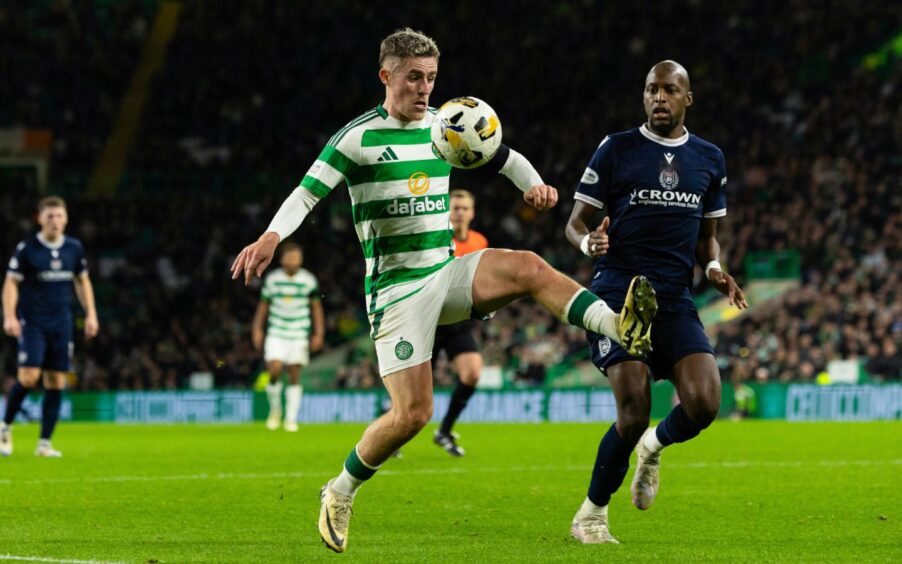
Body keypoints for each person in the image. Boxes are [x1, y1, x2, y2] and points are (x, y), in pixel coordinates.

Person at [231, 28, 656, 553]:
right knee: (413, 415)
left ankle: (618, 326)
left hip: (445, 271)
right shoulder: (357, 138)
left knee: (526, 265)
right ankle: (340, 490)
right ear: (386, 76)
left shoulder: (448, 126)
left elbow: (505, 155)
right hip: (396, 294)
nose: (425, 89)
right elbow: (306, 193)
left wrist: (534, 184)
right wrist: (272, 236)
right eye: (414, 78)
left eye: (431, 78)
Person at [564, 60, 748, 544]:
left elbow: (708, 238)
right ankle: (591, 515)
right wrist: (589, 245)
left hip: (674, 296)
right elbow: (575, 221)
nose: (658, 98)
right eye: (650, 89)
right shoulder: (616, 149)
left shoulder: (710, 158)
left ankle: (653, 447)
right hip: (618, 293)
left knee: (705, 403)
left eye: (669, 90)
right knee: (633, 410)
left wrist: (714, 270)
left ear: (689, 97)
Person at [1, 196, 99, 457]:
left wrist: (91, 314)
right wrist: (9, 316)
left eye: (59, 216)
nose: (54, 221)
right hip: (33, 322)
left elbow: (82, 281)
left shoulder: (74, 248)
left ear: (66, 218)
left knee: (56, 381)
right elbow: (11, 283)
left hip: (62, 323)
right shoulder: (28, 248)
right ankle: (5, 427)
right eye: (49, 216)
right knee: (29, 377)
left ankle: (44, 444)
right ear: (40, 219)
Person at [432, 189, 488, 457]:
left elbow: (481, 279)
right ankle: (390, 425)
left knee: (473, 373)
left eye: (465, 208)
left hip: (459, 320)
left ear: (472, 213)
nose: (460, 213)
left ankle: (444, 431)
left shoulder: (480, 241)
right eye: (455, 208)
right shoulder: (436, 238)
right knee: (416, 390)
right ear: (447, 211)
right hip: (430, 320)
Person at [251, 242, 324, 432]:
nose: (294, 261)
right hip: (277, 331)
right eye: (290, 257)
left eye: (297, 257)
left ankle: (291, 418)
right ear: (282, 259)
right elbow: (263, 306)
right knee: (274, 369)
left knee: (294, 372)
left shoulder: (308, 280)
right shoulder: (273, 279)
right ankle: (275, 410)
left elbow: (316, 307)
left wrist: (318, 333)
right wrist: (257, 329)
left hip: (299, 332)